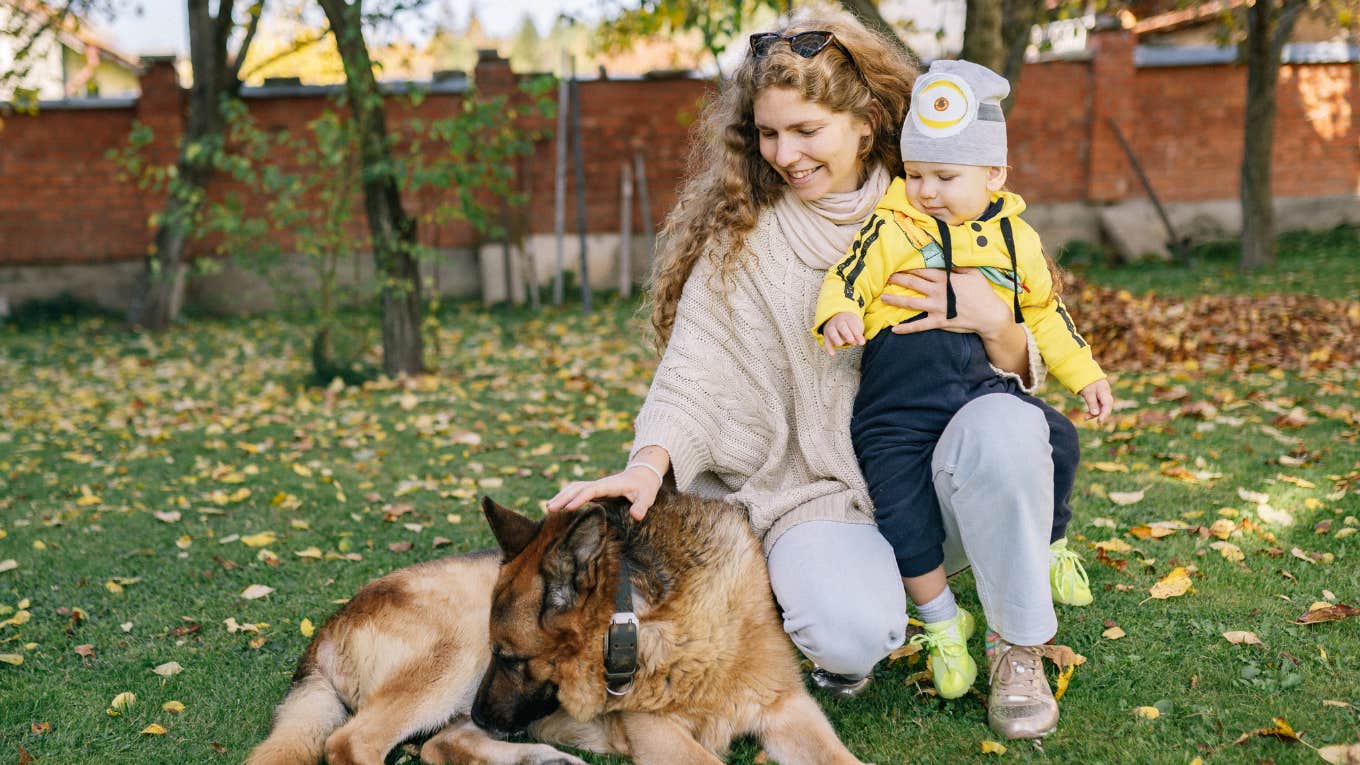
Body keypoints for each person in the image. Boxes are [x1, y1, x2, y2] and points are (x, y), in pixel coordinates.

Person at [548, 12, 1074, 740]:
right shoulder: (745, 241)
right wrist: (647, 466)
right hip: (815, 493)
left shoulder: (939, 198)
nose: (784, 153)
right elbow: (693, 377)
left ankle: (1017, 646)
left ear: (863, 123)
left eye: (805, 131)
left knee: (1013, 425)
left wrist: (993, 318)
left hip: (931, 473)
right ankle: (854, 593)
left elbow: (1029, 362)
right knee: (853, 632)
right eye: (768, 133)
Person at [812, 59, 1111, 701]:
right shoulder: (894, 225)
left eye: (946, 176)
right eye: (915, 174)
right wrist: (838, 312)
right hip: (899, 406)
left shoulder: (1016, 240)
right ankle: (944, 622)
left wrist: (1084, 373)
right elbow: (849, 275)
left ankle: (1051, 545)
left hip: (982, 389)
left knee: (1056, 438)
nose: (927, 190)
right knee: (901, 506)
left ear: (995, 174)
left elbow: (1047, 314)